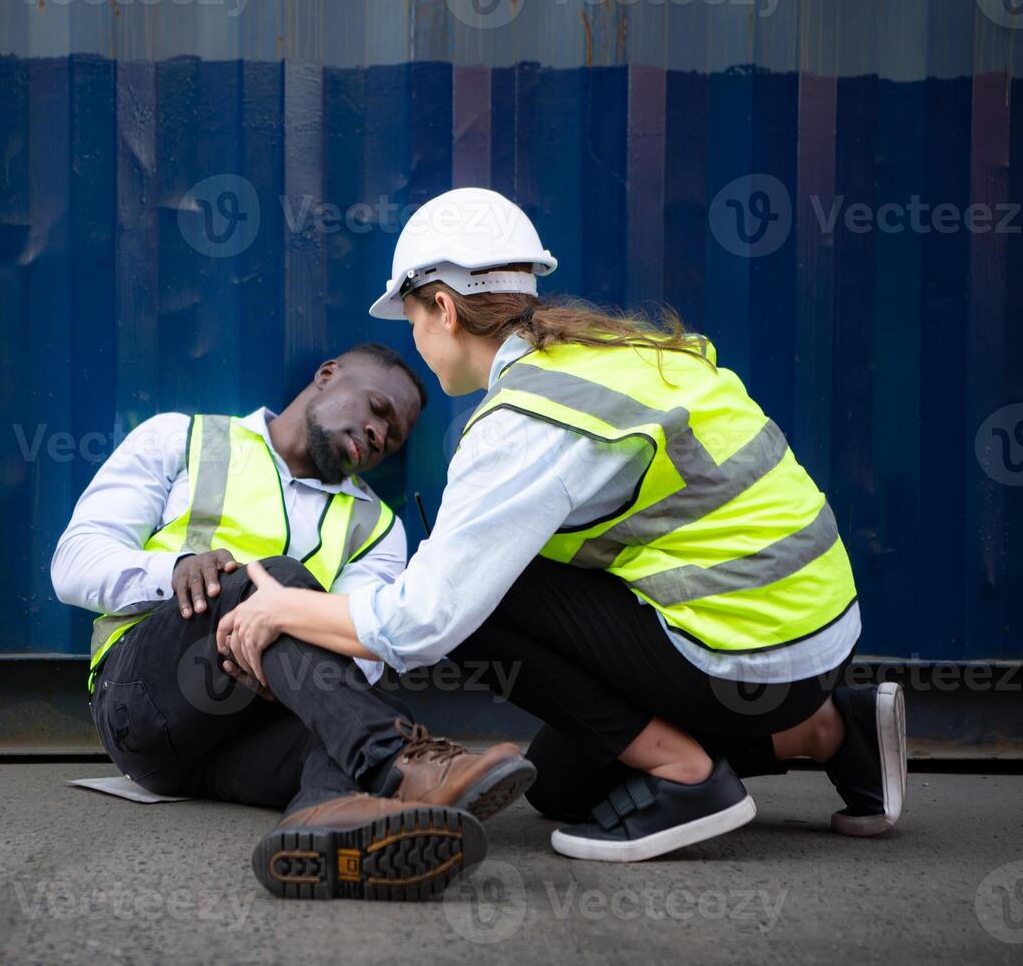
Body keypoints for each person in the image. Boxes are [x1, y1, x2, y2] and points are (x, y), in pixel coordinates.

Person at [217, 188, 906, 863]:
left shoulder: (523, 420)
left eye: (413, 320)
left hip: (747, 650)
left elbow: (426, 621)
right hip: (809, 635)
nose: (416, 340)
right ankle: (831, 729)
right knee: (564, 783)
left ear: (444, 309)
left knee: (476, 600)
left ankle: (689, 780)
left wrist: (284, 607)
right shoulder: (610, 352)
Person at [51, 342, 535, 899]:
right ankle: (398, 762)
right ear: (328, 376)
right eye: (376, 408)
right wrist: (179, 568)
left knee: (351, 718)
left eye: (393, 437)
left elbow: (363, 649)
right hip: (145, 701)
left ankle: (320, 826)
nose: (379, 435)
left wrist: (282, 668)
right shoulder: (181, 440)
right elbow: (74, 564)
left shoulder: (377, 526)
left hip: (246, 738)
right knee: (274, 582)